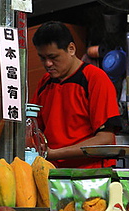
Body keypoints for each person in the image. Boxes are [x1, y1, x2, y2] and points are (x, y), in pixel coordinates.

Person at [30, 21, 122, 168]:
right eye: (42, 58)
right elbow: (33, 130)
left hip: (90, 177)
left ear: (71, 49)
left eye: (53, 57)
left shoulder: (95, 78)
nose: (47, 64)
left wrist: (53, 154)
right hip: (53, 174)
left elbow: (105, 139)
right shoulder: (45, 83)